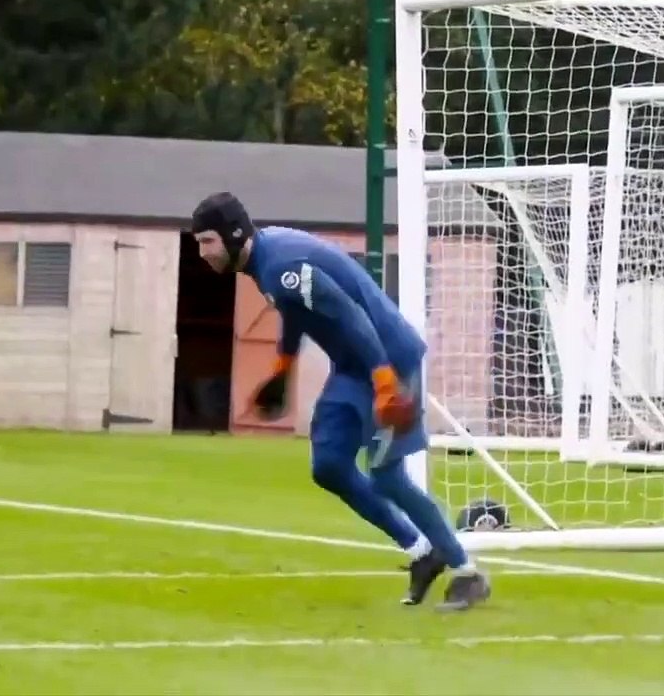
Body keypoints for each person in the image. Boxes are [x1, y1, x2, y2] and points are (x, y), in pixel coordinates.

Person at [189, 191, 490, 612]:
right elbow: (295, 311)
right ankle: (422, 552)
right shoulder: (264, 260)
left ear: (233, 235)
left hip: (390, 360)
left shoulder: (282, 267)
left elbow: (351, 316)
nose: (202, 253)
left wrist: (385, 379)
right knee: (329, 465)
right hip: (353, 366)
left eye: (207, 242)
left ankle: (466, 572)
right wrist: (284, 363)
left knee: (386, 476)